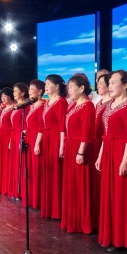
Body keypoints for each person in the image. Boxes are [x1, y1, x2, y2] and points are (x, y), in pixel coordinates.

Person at [95, 70, 127, 251]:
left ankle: (122, 239)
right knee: (109, 194)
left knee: (121, 195)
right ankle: (110, 235)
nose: (110, 85)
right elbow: (106, 135)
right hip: (109, 151)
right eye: (110, 82)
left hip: (122, 152)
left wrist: (125, 161)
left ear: (125, 85)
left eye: (114, 82)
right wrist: (100, 155)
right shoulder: (110, 105)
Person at [61, 74, 95, 234]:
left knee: (80, 185)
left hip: (80, 148)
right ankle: (72, 219)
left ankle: (82, 222)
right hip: (70, 146)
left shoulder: (88, 106)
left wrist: (80, 152)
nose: (69, 90)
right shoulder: (72, 105)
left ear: (81, 88)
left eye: (71, 87)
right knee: (71, 184)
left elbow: (87, 132)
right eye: (68, 87)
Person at [35, 75, 68, 219]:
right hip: (47, 139)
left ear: (57, 86)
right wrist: (38, 143)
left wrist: (61, 145)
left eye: (48, 84)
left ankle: (57, 210)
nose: (46, 87)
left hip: (55, 139)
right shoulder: (47, 103)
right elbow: (41, 126)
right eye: (45, 84)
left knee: (56, 173)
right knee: (47, 173)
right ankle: (48, 207)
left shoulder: (61, 102)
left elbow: (62, 125)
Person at [90, 73, 112, 229]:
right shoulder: (99, 103)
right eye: (97, 83)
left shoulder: (111, 103)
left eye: (101, 83)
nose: (98, 86)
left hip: (104, 144)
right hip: (96, 142)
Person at [24, 80, 45, 209]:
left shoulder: (42, 106)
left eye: (32, 89)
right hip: (29, 137)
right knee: (30, 169)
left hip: (37, 138)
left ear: (40, 91)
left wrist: (37, 143)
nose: (30, 91)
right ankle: (31, 197)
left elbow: (41, 126)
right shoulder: (31, 106)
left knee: (37, 169)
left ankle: (38, 199)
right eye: (29, 89)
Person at [9, 83, 29, 200]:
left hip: (20, 135)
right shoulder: (17, 106)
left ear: (23, 93)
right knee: (15, 163)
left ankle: (21, 191)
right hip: (14, 135)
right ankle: (15, 190)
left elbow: (27, 123)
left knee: (20, 163)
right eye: (13, 91)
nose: (14, 93)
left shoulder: (26, 106)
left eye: (16, 91)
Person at [0, 87, 14, 196]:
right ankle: (3, 185)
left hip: (9, 135)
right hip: (2, 135)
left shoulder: (14, 108)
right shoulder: (4, 109)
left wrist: (11, 139)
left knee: (8, 162)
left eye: (5, 96)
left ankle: (9, 186)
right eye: (2, 96)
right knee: (2, 161)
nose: (3, 98)